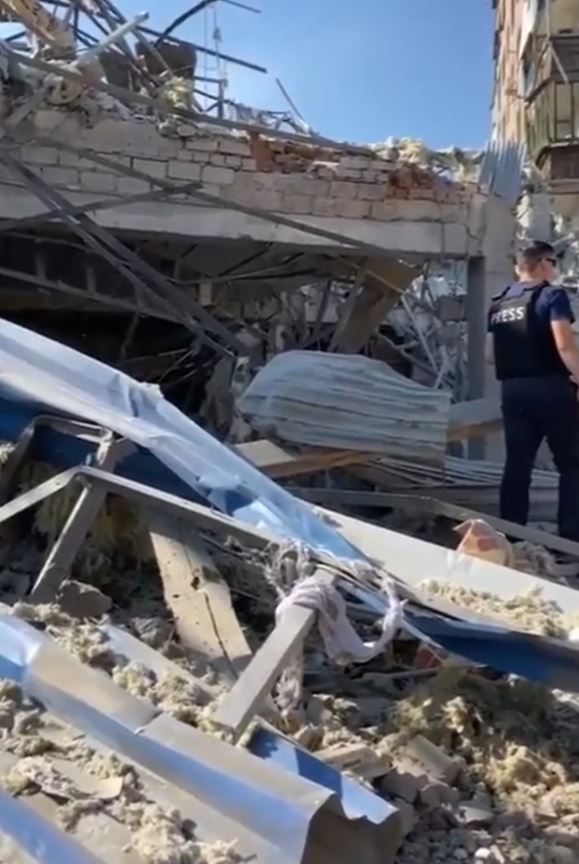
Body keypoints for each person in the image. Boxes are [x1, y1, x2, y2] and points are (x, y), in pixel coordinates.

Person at [487, 241, 579, 541]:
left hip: (513, 391)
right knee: (571, 463)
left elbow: (489, 355)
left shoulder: (499, 302)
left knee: (517, 464)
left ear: (517, 267)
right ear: (542, 264)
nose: (555, 268)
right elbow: (564, 345)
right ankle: (570, 537)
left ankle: (510, 535)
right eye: (553, 262)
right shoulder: (552, 295)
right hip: (551, 389)